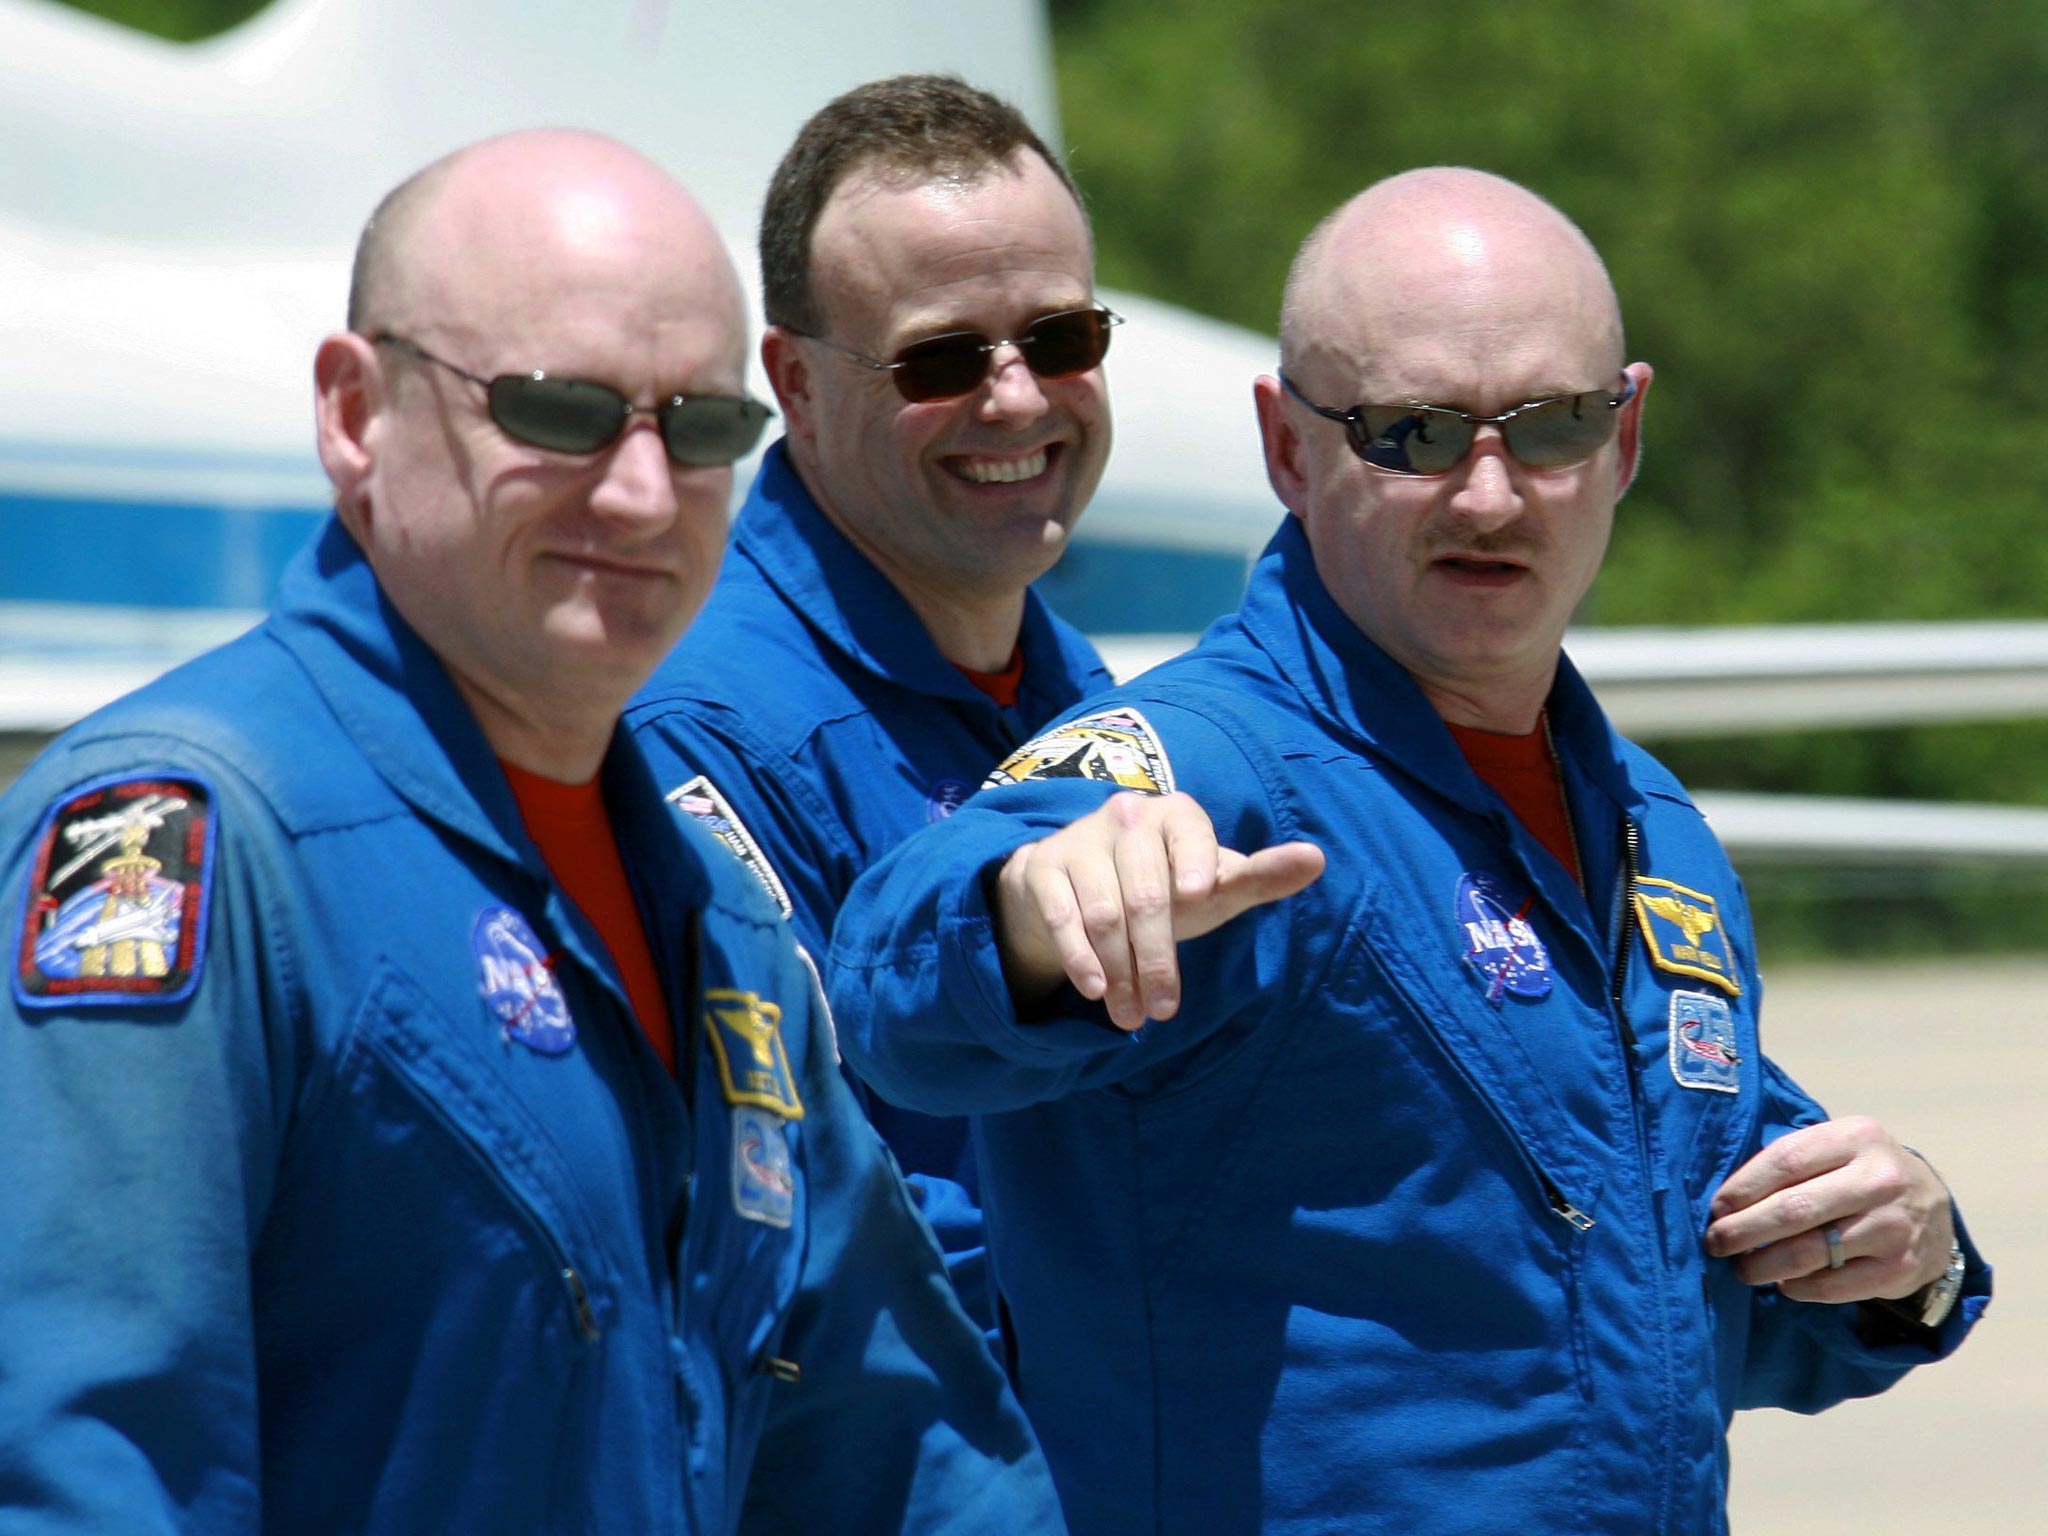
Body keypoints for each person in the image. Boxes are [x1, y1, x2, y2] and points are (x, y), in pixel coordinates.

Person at [827, 167, 1991, 1534]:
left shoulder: (1653, 836)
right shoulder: (1209, 779)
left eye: (1551, 428)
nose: (1491, 498)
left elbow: (1679, 1312)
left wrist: (1902, 1250)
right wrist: (1028, 912)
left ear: (1624, 439)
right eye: (1416, 434)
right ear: (1287, 448)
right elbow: (893, 984)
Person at [0, 129, 1063, 1535]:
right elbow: (85, 1469)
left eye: (697, 428)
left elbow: (905, 1454)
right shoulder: (188, 848)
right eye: (560, 413)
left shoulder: (717, 922)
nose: (638, 492)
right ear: (354, 411)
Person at [627, 75, 1115, 1329]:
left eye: (1062, 340)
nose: (1016, 400)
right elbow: (806, 1208)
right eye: (942, 359)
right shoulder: (699, 730)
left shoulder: (1077, 690)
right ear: (790, 383)